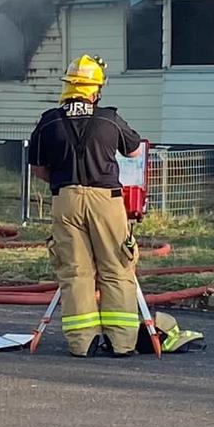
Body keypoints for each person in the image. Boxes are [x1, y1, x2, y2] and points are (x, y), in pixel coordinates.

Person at [29, 54, 144, 357]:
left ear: (68, 87)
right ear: (95, 90)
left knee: (76, 271)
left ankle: (83, 343)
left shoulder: (49, 120)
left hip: (65, 199)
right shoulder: (108, 118)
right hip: (106, 200)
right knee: (116, 268)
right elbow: (133, 152)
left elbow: (39, 169)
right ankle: (122, 343)